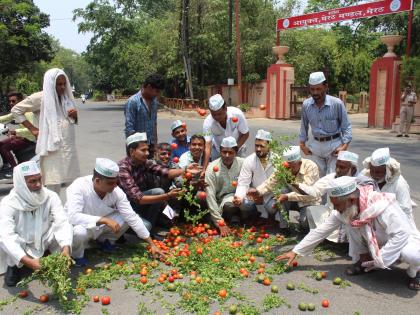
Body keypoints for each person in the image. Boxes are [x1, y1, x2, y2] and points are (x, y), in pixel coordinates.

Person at [276, 176, 420, 291]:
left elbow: (402, 234)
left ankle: (415, 273)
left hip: (405, 241)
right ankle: (365, 261)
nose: (336, 209)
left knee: (413, 255)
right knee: (351, 223)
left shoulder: (381, 205)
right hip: (379, 242)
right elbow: (320, 231)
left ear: (351, 199)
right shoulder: (346, 209)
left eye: (337, 205)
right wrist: (295, 251)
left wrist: (381, 258)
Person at [65, 158, 166, 266]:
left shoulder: (116, 191)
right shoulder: (79, 186)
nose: (115, 186)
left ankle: (104, 241)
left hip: (101, 224)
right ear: (97, 181)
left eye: (116, 183)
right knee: (79, 232)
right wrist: (104, 220)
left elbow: (131, 216)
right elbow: (73, 216)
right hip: (80, 225)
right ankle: (77, 255)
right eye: (110, 183)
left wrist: (152, 244)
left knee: (126, 218)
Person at [0, 161, 73, 286]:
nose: (39, 184)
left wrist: (66, 248)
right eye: (32, 181)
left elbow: (62, 222)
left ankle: (49, 256)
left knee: (67, 230)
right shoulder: (8, 203)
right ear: (21, 183)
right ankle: (14, 266)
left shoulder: (51, 196)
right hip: (22, 243)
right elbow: (7, 237)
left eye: (39, 179)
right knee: (6, 239)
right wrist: (29, 262)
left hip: (43, 239)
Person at [11, 68, 80, 193]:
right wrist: (33, 129)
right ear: (50, 83)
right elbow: (16, 111)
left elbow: (70, 120)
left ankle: (71, 211)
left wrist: (74, 116)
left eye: (64, 83)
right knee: (53, 184)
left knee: (73, 183)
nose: (63, 87)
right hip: (51, 148)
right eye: (59, 84)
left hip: (68, 148)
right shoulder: (40, 98)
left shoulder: (66, 97)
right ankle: (52, 211)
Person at [118, 132, 201, 233]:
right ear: (132, 151)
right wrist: (167, 196)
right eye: (143, 150)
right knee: (159, 194)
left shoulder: (144, 163)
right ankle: (137, 228)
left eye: (147, 150)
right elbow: (138, 198)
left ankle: (148, 228)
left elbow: (166, 172)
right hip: (128, 206)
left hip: (143, 202)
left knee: (158, 194)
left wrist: (186, 169)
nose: (147, 153)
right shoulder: (123, 169)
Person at [297, 151, 373, 243]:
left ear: (352, 169)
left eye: (342, 167)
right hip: (334, 213)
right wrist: (297, 185)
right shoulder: (332, 177)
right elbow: (315, 191)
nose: (337, 170)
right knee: (310, 211)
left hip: (354, 216)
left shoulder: (363, 182)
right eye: (337, 166)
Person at [248, 146, 320, 234]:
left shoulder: (311, 167)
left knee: (305, 223)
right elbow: (271, 182)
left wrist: (287, 196)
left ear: (300, 163)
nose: (289, 169)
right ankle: (284, 227)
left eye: (292, 166)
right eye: (287, 166)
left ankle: (303, 223)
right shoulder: (285, 167)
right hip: (291, 199)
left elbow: (307, 193)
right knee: (282, 191)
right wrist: (258, 191)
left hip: (309, 200)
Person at [299, 71, 352, 177]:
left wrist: (344, 146)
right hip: (316, 146)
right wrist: (302, 145)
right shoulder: (306, 105)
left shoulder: (336, 103)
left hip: (334, 146)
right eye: (312, 89)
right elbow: (303, 125)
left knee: (332, 178)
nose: (315, 93)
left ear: (325, 87)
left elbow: (346, 126)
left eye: (318, 89)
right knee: (317, 178)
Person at [361, 147, 416, 225]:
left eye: (378, 172)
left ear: (387, 170)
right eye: (372, 171)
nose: (374, 175)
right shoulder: (366, 175)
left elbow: (406, 211)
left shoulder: (399, 183)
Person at [233, 130, 276, 222]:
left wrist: (260, 191)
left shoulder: (277, 160)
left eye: (262, 146)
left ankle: (272, 219)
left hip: (272, 194)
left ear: (269, 146)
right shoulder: (249, 160)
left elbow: (278, 183)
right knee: (245, 204)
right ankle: (255, 216)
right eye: (256, 145)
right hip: (254, 195)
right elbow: (243, 183)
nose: (258, 149)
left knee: (272, 208)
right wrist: (239, 197)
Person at [205, 136, 244, 236]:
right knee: (229, 205)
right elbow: (210, 195)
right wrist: (219, 222)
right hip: (221, 201)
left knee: (248, 204)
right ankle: (229, 217)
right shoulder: (211, 168)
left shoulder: (243, 163)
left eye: (230, 152)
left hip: (239, 197)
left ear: (235, 152)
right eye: (224, 152)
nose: (227, 155)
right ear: (220, 152)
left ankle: (240, 217)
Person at [202, 94, 249, 170]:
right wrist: (204, 169)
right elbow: (208, 146)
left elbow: (245, 134)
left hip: (238, 148)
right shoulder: (208, 122)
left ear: (225, 109)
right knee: (216, 173)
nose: (217, 117)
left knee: (240, 172)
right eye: (214, 115)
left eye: (219, 114)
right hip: (218, 150)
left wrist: (235, 150)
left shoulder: (237, 114)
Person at [124, 74, 165, 158]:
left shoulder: (154, 101)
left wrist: (155, 144)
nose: (158, 94)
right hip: (137, 148)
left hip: (150, 146)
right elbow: (129, 128)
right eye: (157, 91)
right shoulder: (133, 101)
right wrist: (138, 148)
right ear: (149, 87)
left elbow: (154, 124)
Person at [0, 92, 35, 177]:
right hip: (22, 137)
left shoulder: (27, 113)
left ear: (20, 101)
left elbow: (32, 129)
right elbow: (4, 118)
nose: (11, 103)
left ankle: (15, 170)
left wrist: (16, 132)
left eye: (13, 101)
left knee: (4, 148)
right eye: (10, 101)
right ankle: (6, 165)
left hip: (30, 139)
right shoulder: (16, 111)